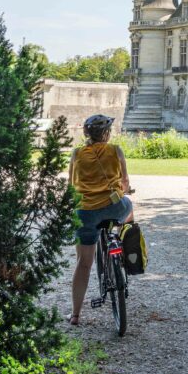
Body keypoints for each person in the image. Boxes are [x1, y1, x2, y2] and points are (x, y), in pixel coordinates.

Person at [67, 114, 134, 325]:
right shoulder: (116, 150)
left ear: (86, 133)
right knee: (129, 206)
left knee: (83, 262)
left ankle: (75, 315)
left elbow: (71, 184)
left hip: (86, 212)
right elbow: (124, 181)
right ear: (107, 133)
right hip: (114, 207)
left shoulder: (77, 154)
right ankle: (130, 244)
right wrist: (126, 190)